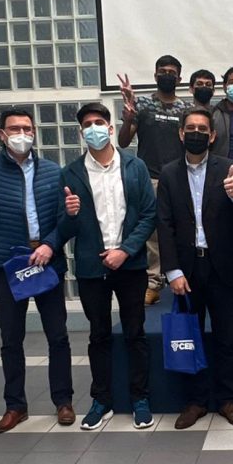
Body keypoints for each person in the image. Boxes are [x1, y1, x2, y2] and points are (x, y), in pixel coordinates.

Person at [0, 108, 74, 432]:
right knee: (11, 338)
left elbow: (64, 219)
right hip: (8, 264)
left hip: (46, 259)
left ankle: (63, 401)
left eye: (27, 128)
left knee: (58, 335)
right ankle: (15, 406)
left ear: (34, 132)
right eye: (14, 129)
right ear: (1, 134)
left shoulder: (52, 171)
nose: (21, 134)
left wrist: (50, 244)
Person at [58, 103, 157, 430]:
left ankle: (140, 398)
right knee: (98, 335)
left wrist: (125, 251)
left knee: (135, 333)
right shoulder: (70, 173)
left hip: (130, 265)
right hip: (92, 268)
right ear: (81, 132)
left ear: (111, 128)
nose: (94, 128)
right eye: (88, 124)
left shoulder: (135, 166)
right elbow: (65, 228)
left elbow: (149, 215)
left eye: (99, 122)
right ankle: (101, 400)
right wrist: (70, 214)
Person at [157, 107, 233, 429]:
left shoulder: (228, 167)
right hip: (186, 269)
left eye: (202, 129)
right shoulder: (169, 174)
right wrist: (172, 271)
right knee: (190, 336)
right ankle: (196, 401)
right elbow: (164, 224)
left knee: (226, 338)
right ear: (181, 133)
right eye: (191, 128)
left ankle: (228, 400)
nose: (196, 133)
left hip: (222, 266)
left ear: (212, 136)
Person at [117, 55, 190, 306]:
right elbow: (123, 141)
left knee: (182, 228)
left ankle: (182, 277)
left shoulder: (186, 109)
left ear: (179, 79)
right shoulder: (143, 105)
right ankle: (153, 282)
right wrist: (128, 118)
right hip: (150, 177)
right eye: (162, 71)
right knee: (152, 234)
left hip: (180, 178)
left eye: (172, 72)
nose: (167, 75)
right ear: (155, 75)